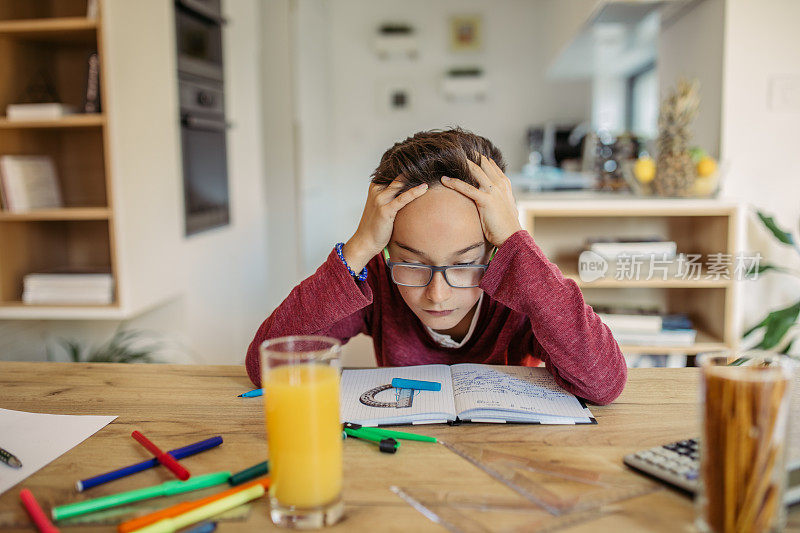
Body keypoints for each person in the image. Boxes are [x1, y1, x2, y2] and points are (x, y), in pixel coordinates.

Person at [246, 128, 626, 404]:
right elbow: (266, 366)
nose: (437, 294)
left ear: (494, 250)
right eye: (411, 263)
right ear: (387, 249)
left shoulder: (521, 282)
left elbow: (604, 383)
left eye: (464, 264)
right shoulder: (377, 277)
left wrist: (517, 243)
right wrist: (358, 249)